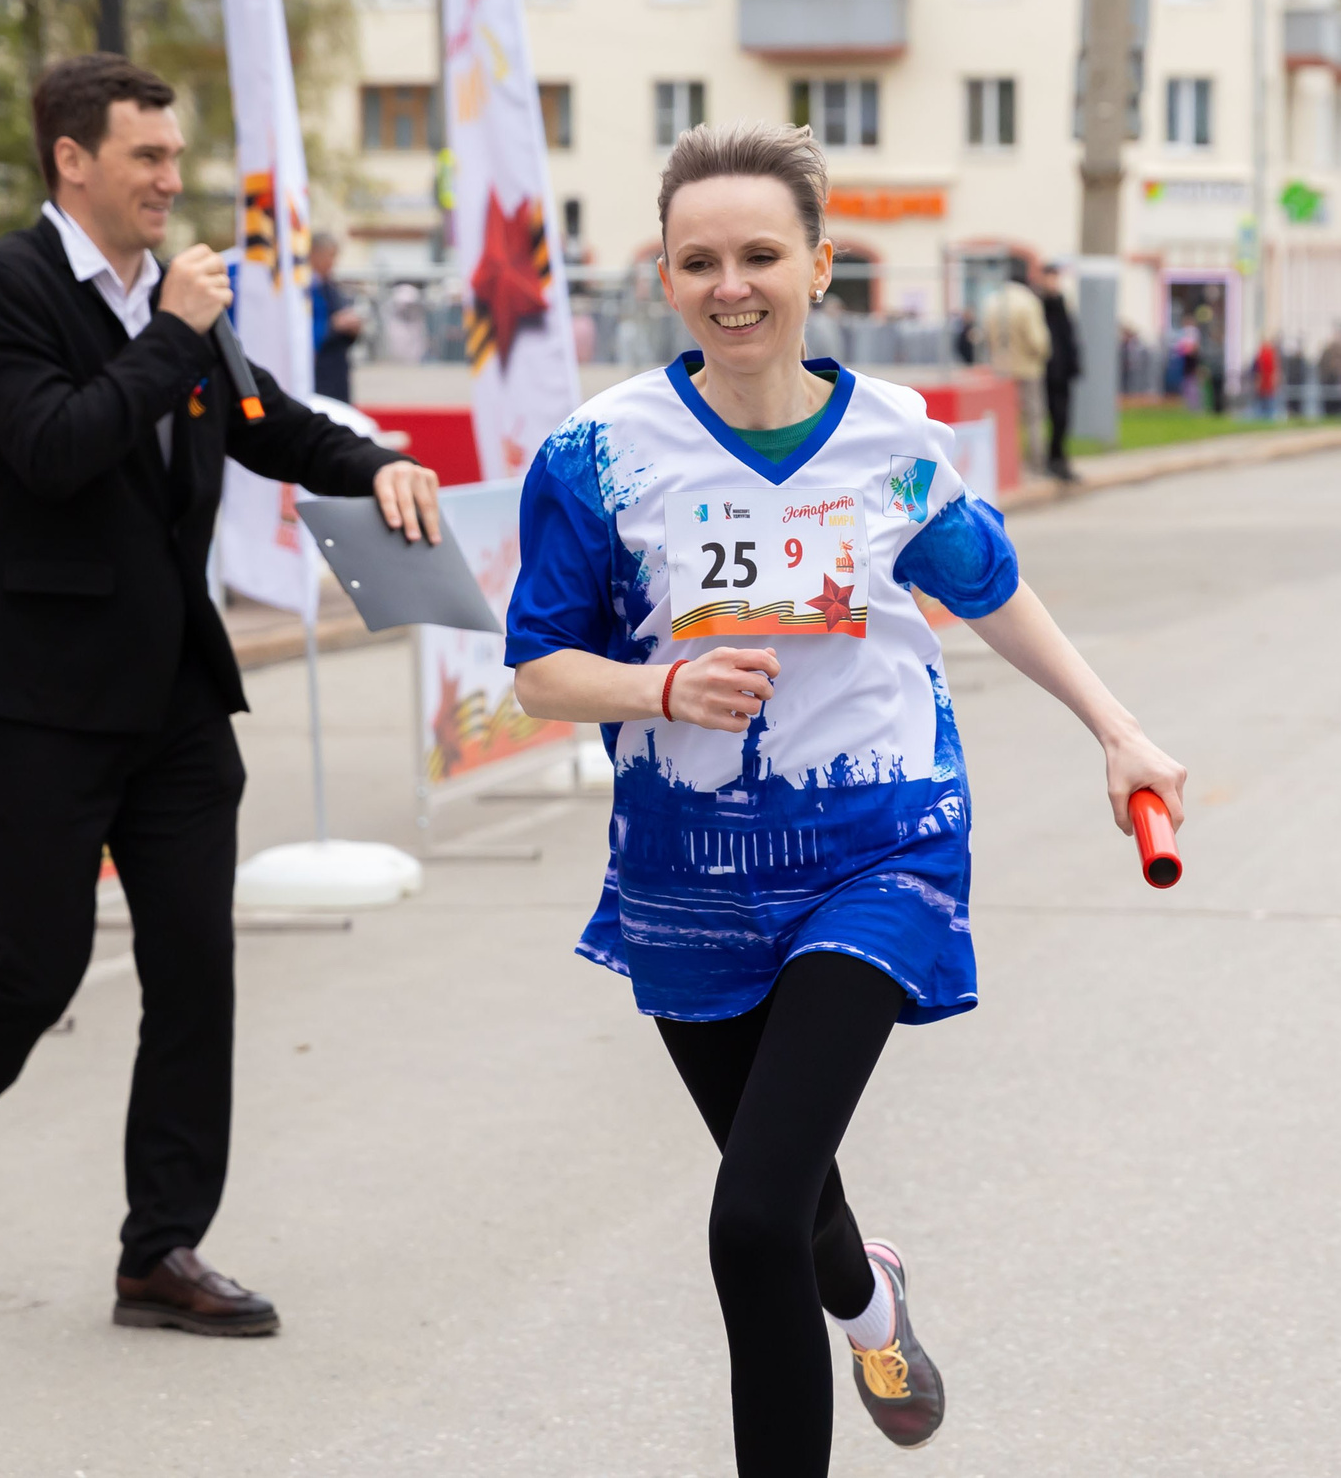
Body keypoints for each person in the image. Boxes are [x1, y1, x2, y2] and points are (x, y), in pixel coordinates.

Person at [503, 123, 1187, 1477]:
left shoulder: (891, 441)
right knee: (792, 1190)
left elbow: (988, 587)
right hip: (687, 875)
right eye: (699, 259)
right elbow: (538, 671)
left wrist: (1118, 729)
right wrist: (659, 690)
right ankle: (869, 1295)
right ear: (665, 273)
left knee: (750, 1215)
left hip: (877, 845)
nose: (732, 284)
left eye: (762, 253)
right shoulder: (597, 454)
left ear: (820, 266)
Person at [0, 53, 444, 1337]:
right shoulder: (3, 293)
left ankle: (160, 1250)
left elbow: (264, 420)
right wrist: (169, 332)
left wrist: (380, 464)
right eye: (147, 157)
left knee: (196, 968)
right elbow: (63, 449)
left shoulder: (175, 299)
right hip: (32, 689)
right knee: (40, 963)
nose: (170, 180)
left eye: (175, 159)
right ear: (73, 159)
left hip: (174, 690)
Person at [978, 261, 1050, 473]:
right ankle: (1036, 463)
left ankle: (1007, 463)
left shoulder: (992, 301)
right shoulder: (1028, 301)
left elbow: (987, 337)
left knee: (1006, 418)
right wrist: (1041, 355)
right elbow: (1037, 340)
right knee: (1034, 418)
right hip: (1027, 367)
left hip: (1001, 368)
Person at [306, 234, 366, 402]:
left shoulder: (331, 286)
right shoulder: (304, 289)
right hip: (317, 373)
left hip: (336, 370)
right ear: (315, 255)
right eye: (330, 256)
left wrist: (352, 329)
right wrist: (333, 325)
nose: (333, 262)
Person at [1035, 261, 1080, 482]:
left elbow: (1069, 336)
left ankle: (1060, 458)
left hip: (1063, 371)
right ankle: (1050, 460)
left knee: (1063, 418)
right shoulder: (1040, 304)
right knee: (1048, 417)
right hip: (1048, 371)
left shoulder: (1062, 303)